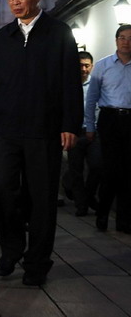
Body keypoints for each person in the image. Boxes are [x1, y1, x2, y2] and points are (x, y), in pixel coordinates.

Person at [0, 0, 83, 286]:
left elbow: (71, 83)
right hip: (8, 129)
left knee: (42, 198)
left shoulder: (59, 33)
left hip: (45, 129)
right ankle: (11, 249)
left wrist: (70, 123)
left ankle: (37, 262)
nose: (15, 1)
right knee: (1, 190)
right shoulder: (2, 38)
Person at [85, 24, 131, 234]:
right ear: (116, 40)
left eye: (130, 38)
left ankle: (123, 220)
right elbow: (91, 98)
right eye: (122, 37)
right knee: (111, 171)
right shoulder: (103, 66)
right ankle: (102, 214)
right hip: (110, 119)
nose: (125, 41)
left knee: (128, 174)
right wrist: (90, 126)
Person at [61, 51, 103, 217]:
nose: (84, 69)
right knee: (75, 170)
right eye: (80, 65)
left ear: (91, 66)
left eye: (87, 65)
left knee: (97, 167)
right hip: (75, 132)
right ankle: (81, 205)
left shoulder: (98, 84)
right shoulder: (68, 85)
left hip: (94, 131)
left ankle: (88, 195)